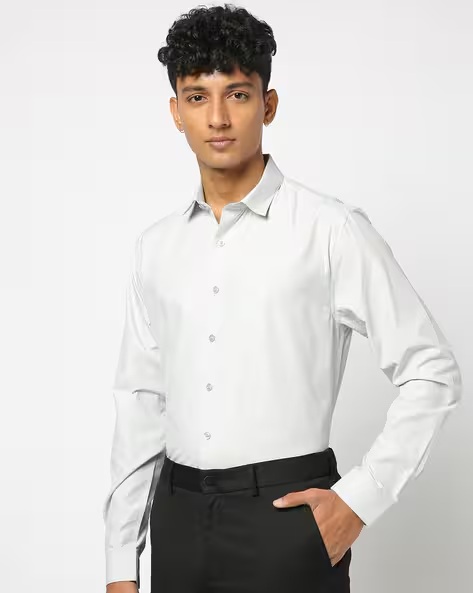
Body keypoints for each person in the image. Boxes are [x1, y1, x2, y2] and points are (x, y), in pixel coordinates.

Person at [103, 4, 463, 592]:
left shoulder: (330, 230)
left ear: (268, 104)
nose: (218, 118)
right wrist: (122, 560)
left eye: (238, 94)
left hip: (287, 516)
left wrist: (360, 500)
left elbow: (431, 370)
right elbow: (141, 402)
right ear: (175, 112)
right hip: (177, 518)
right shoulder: (155, 247)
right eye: (197, 97)